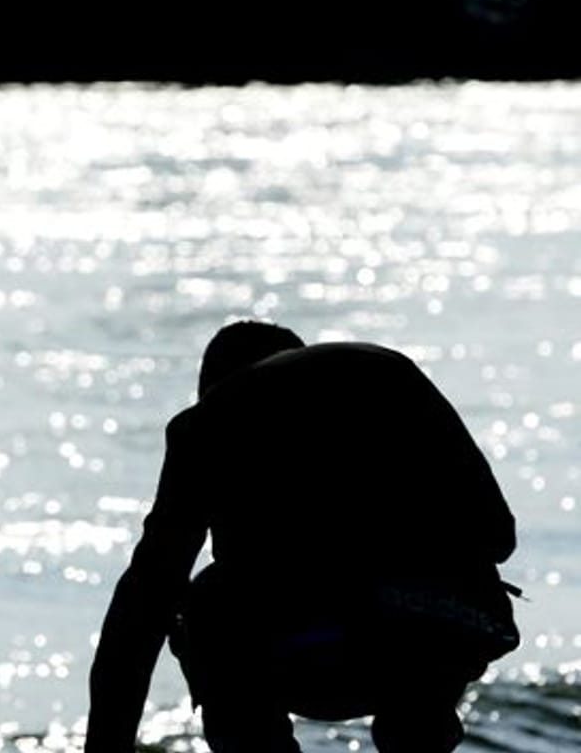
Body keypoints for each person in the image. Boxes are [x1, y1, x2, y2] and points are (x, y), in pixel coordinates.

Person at [85, 320, 520, 753]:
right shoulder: (387, 370)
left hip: (311, 639)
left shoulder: (205, 424)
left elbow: (142, 607)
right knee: (425, 644)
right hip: (447, 626)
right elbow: (499, 535)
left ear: (211, 387)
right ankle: (420, 726)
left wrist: (105, 745)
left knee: (204, 605)